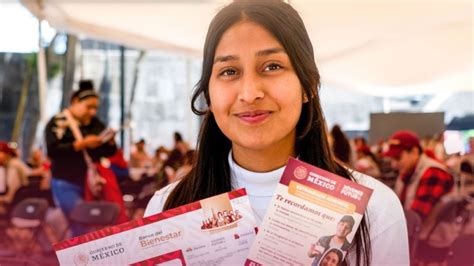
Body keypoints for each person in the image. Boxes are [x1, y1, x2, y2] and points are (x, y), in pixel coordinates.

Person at [144, 1, 408, 265]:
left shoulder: (375, 210)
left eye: (272, 66)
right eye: (229, 71)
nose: (249, 94)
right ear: (209, 96)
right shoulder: (167, 210)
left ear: (309, 86)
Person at [45, 80, 116, 236]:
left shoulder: (95, 124)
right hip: (65, 181)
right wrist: (81, 144)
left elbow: (108, 152)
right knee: (81, 221)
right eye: (88, 107)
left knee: (92, 223)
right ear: (75, 102)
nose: (92, 112)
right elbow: (52, 151)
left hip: (91, 183)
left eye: (95, 108)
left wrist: (110, 142)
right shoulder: (58, 122)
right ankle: (79, 258)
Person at [384, 130, 453, 220]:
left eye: (398, 158)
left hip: (428, 233)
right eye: (392, 159)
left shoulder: (433, 173)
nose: (393, 164)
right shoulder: (406, 172)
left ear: (414, 152)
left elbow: (415, 219)